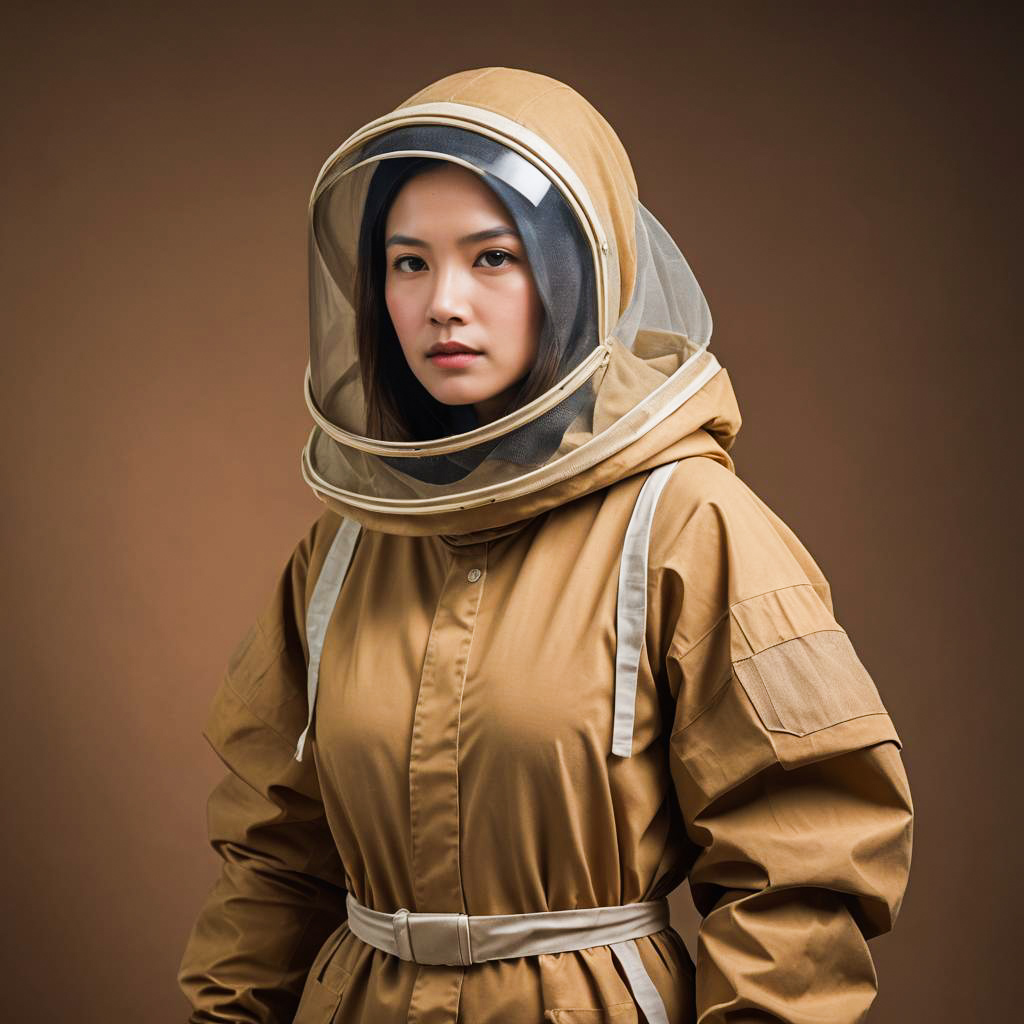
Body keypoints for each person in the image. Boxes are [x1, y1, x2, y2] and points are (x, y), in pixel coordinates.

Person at [177, 67, 913, 1024]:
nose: (443, 302)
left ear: (573, 272)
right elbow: (273, 858)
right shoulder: (348, 550)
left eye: (492, 258)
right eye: (409, 262)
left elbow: (804, 861)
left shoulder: (690, 526)